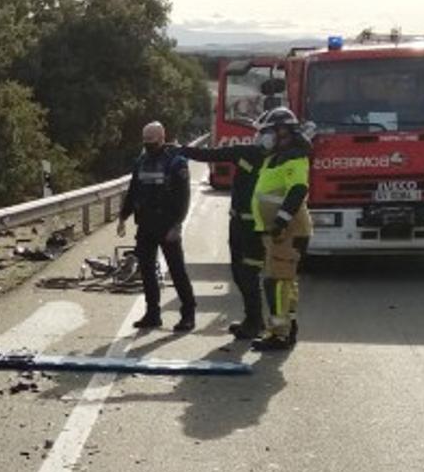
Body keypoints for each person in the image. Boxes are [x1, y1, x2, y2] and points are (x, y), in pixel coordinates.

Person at [175, 124, 268, 340]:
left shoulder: (281, 160)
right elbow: (212, 154)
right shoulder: (246, 153)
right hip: (237, 222)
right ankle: (252, 319)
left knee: (250, 273)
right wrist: (182, 150)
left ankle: (256, 322)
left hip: (258, 226)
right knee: (238, 272)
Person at [116, 122, 197, 331]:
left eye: (152, 142)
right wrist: (123, 217)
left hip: (168, 225)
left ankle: (188, 314)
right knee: (147, 271)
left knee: (177, 271)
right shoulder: (141, 161)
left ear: (162, 138)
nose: (149, 146)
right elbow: (134, 191)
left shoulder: (176, 163)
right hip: (145, 225)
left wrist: (177, 225)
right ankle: (152, 313)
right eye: (146, 142)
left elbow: (183, 198)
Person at [250, 107, 313, 351]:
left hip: (287, 231)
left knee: (276, 282)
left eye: (266, 132)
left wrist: (280, 222)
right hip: (276, 231)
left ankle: (279, 334)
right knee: (285, 280)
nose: (262, 137)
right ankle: (289, 326)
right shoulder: (276, 157)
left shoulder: (295, 158)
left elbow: (297, 190)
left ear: (282, 131)